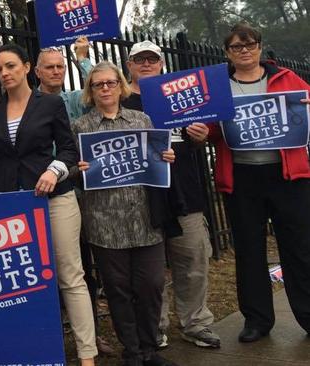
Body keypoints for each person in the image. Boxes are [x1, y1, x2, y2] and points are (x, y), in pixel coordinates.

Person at [0, 43, 98, 366]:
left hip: (55, 199)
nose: (4, 73)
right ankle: (33, 349)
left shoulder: (52, 103)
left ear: (27, 67)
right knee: (24, 281)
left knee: (71, 276)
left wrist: (54, 170)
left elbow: (69, 150)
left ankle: (87, 355)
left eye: (11, 66)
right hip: (11, 205)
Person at [208, 23, 310, 343]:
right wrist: (202, 133)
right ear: (228, 53)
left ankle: (308, 316)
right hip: (241, 178)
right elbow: (212, 131)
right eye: (237, 47)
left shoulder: (287, 79)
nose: (245, 51)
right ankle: (257, 320)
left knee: (299, 249)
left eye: (250, 44)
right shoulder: (219, 87)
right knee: (249, 250)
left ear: (260, 48)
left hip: (286, 176)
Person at [71, 61, 178, 366]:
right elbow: (73, 172)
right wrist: (80, 171)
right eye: (98, 84)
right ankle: (132, 351)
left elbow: (156, 161)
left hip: (145, 217)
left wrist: (165, 156)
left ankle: (149, 348)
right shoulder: (81, 127)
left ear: (121, 85)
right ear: (90, 91)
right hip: (105, 222)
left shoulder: (142, 119)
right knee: (118, 290)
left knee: (152, 285)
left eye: (110, 83)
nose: (105, 88)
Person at [122, 40, 221, 349]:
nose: (146, 64)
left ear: (162, 64)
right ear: (130, 65)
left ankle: (196, 323)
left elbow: (203, 134)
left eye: (152, 59)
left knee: (192, 260)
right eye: (140, 60)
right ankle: (156, 326)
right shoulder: (122, 100)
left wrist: (201, 136)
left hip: (185, 192)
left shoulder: (181, 96)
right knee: (151, 272)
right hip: (143, 196)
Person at [34, 40, 114, 356]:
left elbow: (98, 87)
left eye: (59, 66)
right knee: (45, 269)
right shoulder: (30, 102)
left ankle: (90, 337)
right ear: (36, 71)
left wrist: (82, 59)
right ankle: (51, 337)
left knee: (81, 268)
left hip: (78, 191)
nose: (55, 71)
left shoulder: (74, 100)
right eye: (49, 67)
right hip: (41, 193)